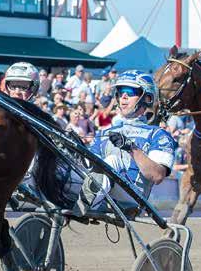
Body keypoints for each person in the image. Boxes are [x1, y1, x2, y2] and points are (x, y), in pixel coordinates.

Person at [22, 70, 176, 218]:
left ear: (147, 98)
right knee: (47, 155)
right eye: (120, 91)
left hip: (131, 198)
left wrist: (132, 148)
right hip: (100, 190)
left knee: (111, 161)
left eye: (129, 92)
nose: (123, 97)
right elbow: (89, 166)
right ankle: (25, 190)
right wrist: (72, 148)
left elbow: (157, 175)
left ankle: (84, 204)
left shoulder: (158, 134)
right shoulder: (105, 132)